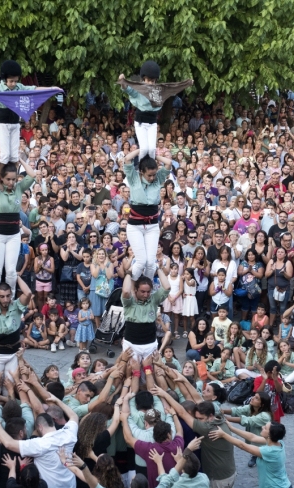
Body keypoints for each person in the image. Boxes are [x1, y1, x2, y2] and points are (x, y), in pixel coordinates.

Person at [117, 61, 192, 160]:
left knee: (152, 149)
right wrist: (122, 81)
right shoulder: (139, 89)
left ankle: (152, 168)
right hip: (140, 123)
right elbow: (127, 89)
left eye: (153, 81)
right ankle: (142, 169)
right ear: (144, 79)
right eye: (148, 80)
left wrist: (188, 83)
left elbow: (174, 88)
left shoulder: (159, 91)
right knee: (144, 149)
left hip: (152, 123)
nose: (151, 83)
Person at [0, 158, 34, 299]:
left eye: (14, 179)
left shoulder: (19, 188)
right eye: (8, 179)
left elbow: (32, 175)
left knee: (12, 272)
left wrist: (20, 160)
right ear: (2, 178)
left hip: (13, 234)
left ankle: (11, 300)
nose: (11, 182)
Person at [121, 148, 173, 279]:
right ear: (142, 172)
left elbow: (168, 163)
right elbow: (127, 159)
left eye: (154, 174)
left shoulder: (157, 179)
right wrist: (142, 149)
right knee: (141, 261)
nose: (152, 177)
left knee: (150, 262)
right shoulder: (133, 178)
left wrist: (155, 155)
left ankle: (147, 288)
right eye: (149, 175)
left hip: (152, 226)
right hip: (135, 226)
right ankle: (131, 283)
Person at [121, 256, 171, 368]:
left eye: (148, 292)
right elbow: (125, 291)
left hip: (150, 344)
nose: (146, 294)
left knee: (151, 373)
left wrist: (157, 268)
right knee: (133, 373)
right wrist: (129, 273)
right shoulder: (130, 302)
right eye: (142, 291)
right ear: (136, 290)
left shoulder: (154, 299)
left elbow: (167, 287)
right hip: (131, 344)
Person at [0, 276, 32, 376]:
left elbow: (28, 293)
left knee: (10, 385)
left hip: (14, 353)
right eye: (2, 296)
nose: (5, 299)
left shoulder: (17, 305)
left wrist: (15, 276)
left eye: (8, 296)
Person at [0, 60, 36, 165]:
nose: (13, 84)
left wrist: (52, 88)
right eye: (11, 81)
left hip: (15, 123)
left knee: (14, 156)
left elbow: (34, 89)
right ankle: (0, 179)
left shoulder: (20, 87)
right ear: (5, 79)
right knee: (5, 155)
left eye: (15, 81)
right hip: (3, 123)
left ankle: (13, 178)